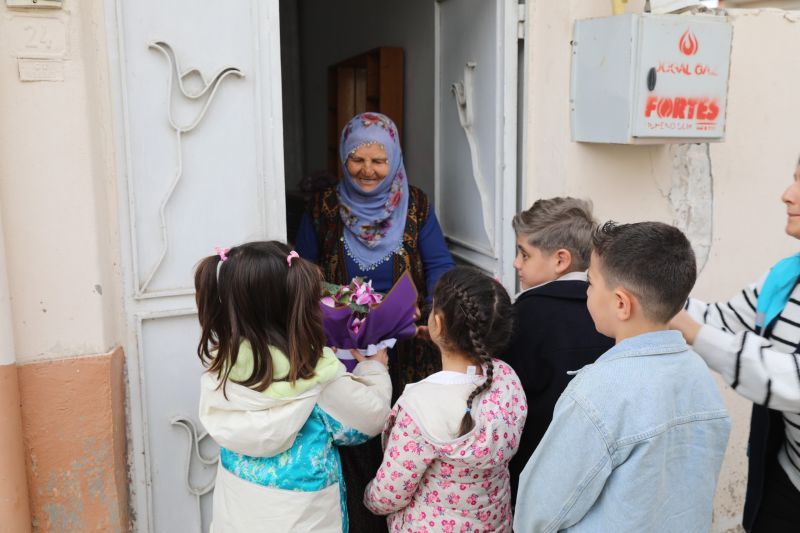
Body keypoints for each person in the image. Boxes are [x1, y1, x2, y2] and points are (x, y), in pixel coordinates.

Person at [514, 222, 731, 533]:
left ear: (621, 303)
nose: (587, 292)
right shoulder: (700, 375)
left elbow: (539, 512)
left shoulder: (596, 393)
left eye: (590, 283)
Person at [294, 112, 454, 531]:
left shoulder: (415, 204)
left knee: (405, 431)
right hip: (344, 344)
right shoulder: (324, 206)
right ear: (344, 158)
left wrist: (432, 306)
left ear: (395, 160)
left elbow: (438, 262)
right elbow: (303, 268)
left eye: (378, 161)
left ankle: (405, 509)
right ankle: (363, 511)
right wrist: (333, 304)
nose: (367, 171)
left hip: (409, 343)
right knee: (355, 431)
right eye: (357, 160)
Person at [195, 241, 392, 533]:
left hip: (239, 517)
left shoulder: (222, 368)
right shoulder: (317, 378)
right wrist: (375, 368)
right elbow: (372, 417)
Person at [670, 158, 800, 532]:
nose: (786, 195)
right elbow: (722, 319)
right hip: (788, 476)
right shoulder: (786, 277)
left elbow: (792, 379)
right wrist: (653, 293)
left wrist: (692, 332)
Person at [364, 266, 527, 532]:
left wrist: (367, 496)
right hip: (493, 524)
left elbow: (388, 495)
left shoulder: (419, 406)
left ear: (437, 323)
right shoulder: (507, 379)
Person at [500, 197, 614, 505]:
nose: (516, 263)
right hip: (600, 471)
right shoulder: (611, 310)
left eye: (524, 254)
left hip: (535, 473)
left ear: (560, 260)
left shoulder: (523, 316)